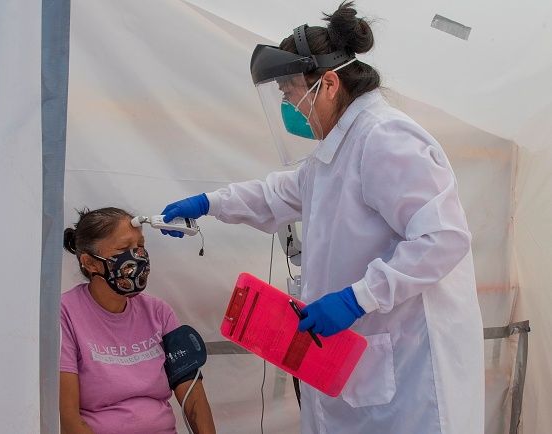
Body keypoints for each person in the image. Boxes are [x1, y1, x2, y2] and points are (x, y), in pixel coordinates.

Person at [160, 2, 484, 434]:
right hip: (355, 362)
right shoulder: (335, 154)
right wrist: (209, 203)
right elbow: (276, 194)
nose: (289, 106)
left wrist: (357, 298)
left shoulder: (384, 137)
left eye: (291, 93)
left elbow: (442, 238)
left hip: (409, 368)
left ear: (328, 83)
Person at [59, 207, 216, 434]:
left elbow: (194, 400)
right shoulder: (65, 314)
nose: (138, 257)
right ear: (90, 263)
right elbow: (69, 419)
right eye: (124, 249)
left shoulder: (159, 312)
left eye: (140, 246)